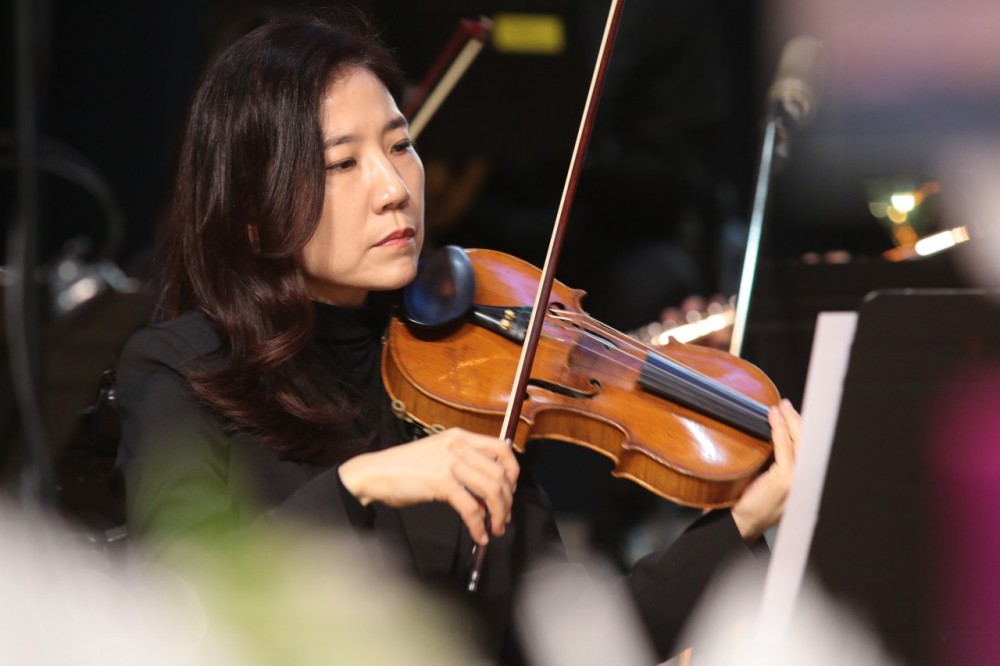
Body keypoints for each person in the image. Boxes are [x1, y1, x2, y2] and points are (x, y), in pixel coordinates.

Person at [114, 13, 801, 664]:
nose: (393, 188)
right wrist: (361, 484)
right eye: (342, 164)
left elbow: (571, 643)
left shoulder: (466, 370)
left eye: (400, 145)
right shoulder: (184, 370)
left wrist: (741, 524)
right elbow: (178, 604)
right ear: (253, 209)